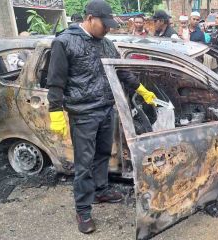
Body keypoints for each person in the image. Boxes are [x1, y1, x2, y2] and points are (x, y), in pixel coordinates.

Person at [46, 0, 156, 234]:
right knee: (84, 164)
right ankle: (83, 211)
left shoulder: (106, 44)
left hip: (106, 109)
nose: (107, 29)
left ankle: (100, 190)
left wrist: (142, 90)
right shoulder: (64, 42)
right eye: (104, 24)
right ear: (89, 18)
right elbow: (55, 81)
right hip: (83, 113)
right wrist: (55, 111)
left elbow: (122, 71)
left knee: (103, 154)